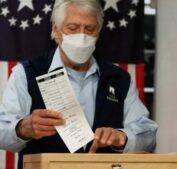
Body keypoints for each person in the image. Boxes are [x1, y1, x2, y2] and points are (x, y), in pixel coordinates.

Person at [0, 0, 158, 168]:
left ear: (98, 33)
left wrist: (122, 137)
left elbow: (148, 137)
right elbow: (2, 131)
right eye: (73, 28)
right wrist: (23, 128)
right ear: (56, 29)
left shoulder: (119, 79)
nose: (82, 36)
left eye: (89, 29)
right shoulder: (26, 73)